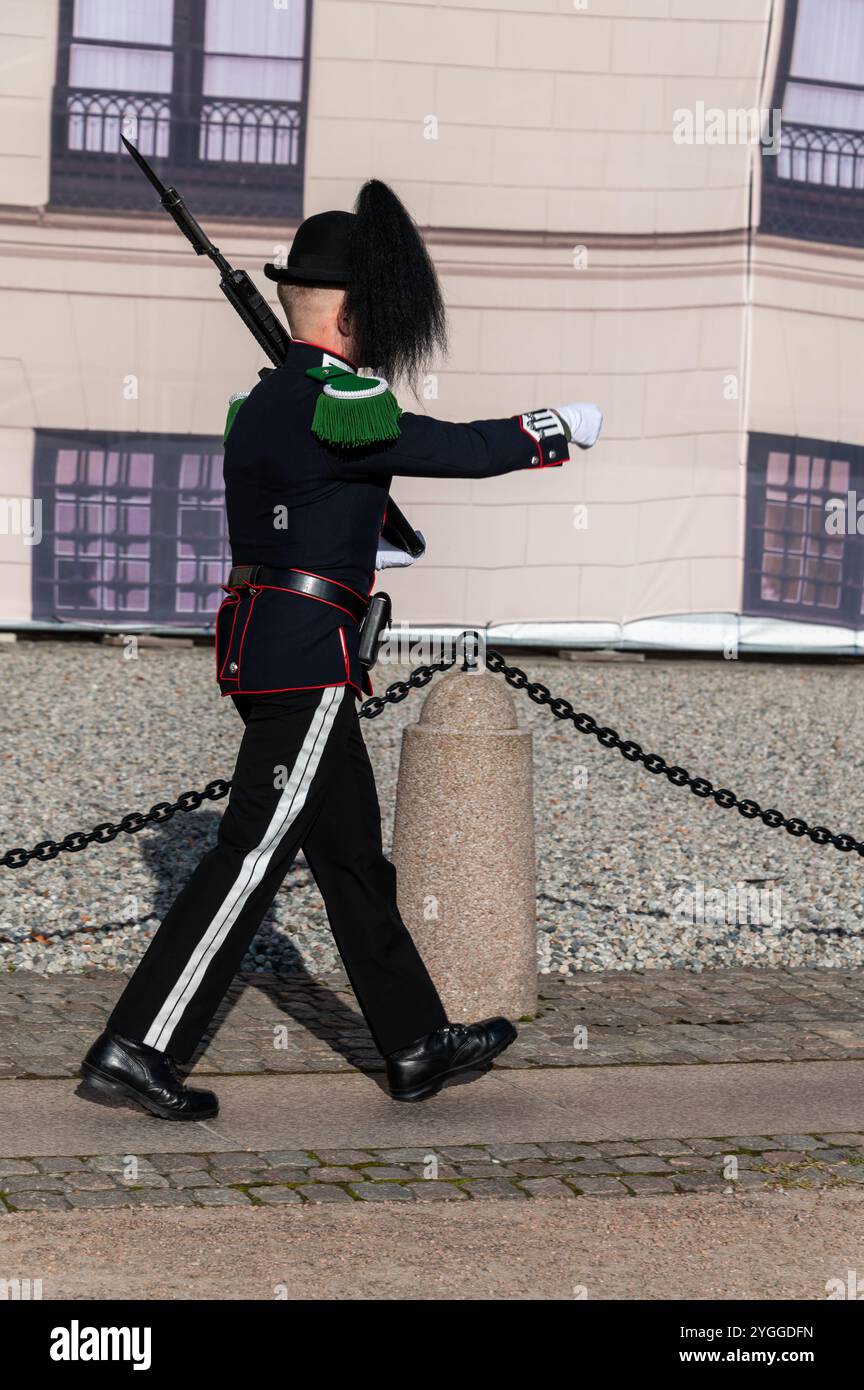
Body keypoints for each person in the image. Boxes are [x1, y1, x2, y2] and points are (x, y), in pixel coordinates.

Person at [79, 180, 603, 1120]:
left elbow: (306, 508)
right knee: (250, 853)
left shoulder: (265, 403)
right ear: (356, 311)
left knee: (353, 858)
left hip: (266, 643)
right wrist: (547, 431)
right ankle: (136, 1045)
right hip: (311, 659)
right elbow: (454, 447)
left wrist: (364, 527)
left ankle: (414, 1044)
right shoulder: (335, 400)